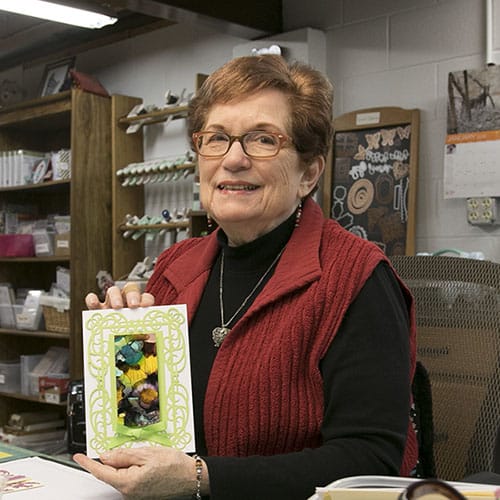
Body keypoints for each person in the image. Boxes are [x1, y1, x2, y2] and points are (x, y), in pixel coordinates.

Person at [74, 54, 418, 500]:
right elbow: (148, 425)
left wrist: (202, 478)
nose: (233, 160)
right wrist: (123, 356)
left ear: (308, 173)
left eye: (262, 140)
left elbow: (370, 461)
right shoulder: (174, 268)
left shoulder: (356, 279)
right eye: (216, 138)